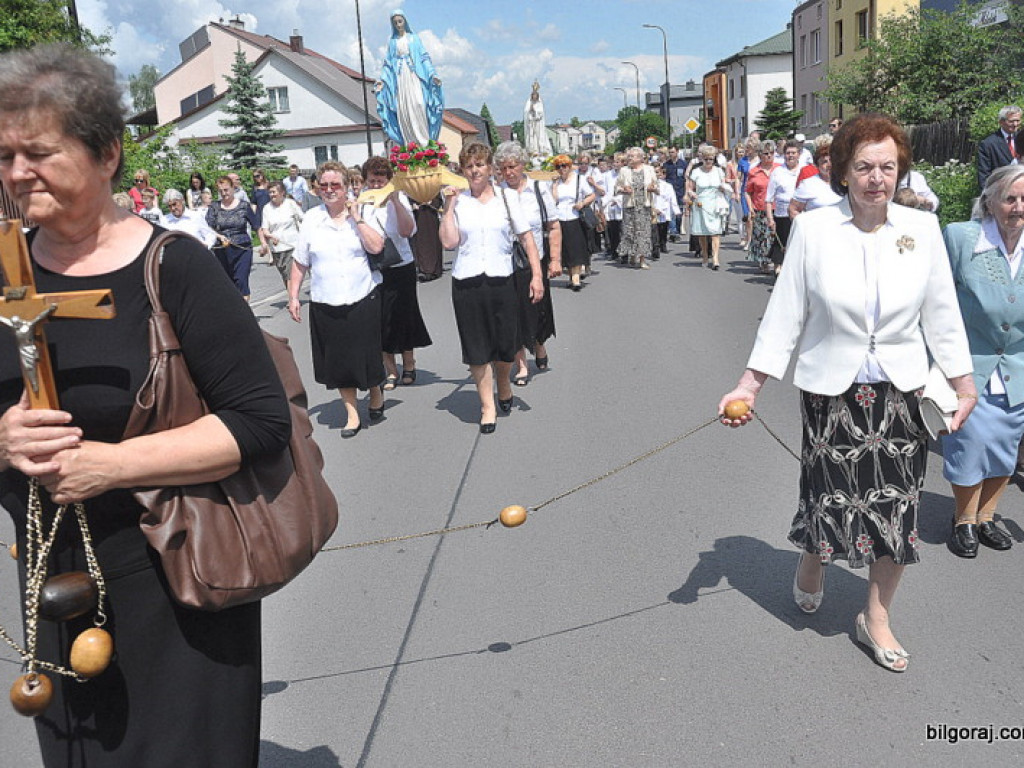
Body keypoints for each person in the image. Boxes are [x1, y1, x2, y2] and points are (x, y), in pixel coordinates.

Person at [0, 43, 291, 767]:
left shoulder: (177, 267)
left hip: (180, 572)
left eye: (36, 152)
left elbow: (259, 420)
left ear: (107, 154)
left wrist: (114, 464)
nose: (15, 173)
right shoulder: (3, 271)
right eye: (3, 155)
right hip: (56, 573)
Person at [718, 113, 976, 673]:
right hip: (832, 395)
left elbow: (942, 313)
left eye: (887, 166)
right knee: (830, 495)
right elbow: (785, 315)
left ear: (899, 170)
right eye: (864, 166)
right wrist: (750, 383)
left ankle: (875, 616)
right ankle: (814, 554)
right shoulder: (814, 229)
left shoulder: (920, 229)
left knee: (896, 508)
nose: (876, 178)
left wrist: (962, 382)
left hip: (902, 395)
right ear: (841, 170)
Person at [941, 165, 1024, 557]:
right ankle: (964, 520)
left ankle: (988, 517)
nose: (1018, 207)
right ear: (990, 201)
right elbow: (934, 300)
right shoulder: (961, 238)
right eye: (1010, 198)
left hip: (1018, 369)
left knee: (1005, 447)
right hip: (968, 366)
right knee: (970, 444)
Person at [438, 143, 543, 433]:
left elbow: (527, 238)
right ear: (462, 170)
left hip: (502, 279)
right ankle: (487, 405)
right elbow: (448, 242)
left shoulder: (506, 197)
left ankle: (505, 382)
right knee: (477, 346)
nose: (474, 171)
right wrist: (448, 208)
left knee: (504, 345)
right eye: (469, 166)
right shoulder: (457, 202)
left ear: (490, 168)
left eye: (480, 165)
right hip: (467, 282)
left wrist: (537, 276)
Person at [289, 161, 386, 438]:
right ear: (318, 189)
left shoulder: (363, 213)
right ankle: (352, 413)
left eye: (336, 185)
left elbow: (377, 246)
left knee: (366, 355)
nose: (330, 190)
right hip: (325, 301)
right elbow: (300, 261)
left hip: (362, 296)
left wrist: (357, 218)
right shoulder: (311, 219)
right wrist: (293, 296)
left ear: (346, 188)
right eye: (325, 185)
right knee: (340, 360)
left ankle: (375, 390)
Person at [360, 156, 433, 390]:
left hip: (401, 266)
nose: (376, 185)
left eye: (381, 180)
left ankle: (408, 364)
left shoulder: (398, 198)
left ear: (389, 180)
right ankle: (390, 369)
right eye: (372, 180)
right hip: (375, 269)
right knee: (380, 319)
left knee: (404, 316)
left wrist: (395, 201)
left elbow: (407, 231)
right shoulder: (361, 202)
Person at [495, 141, 562, 385]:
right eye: (503, 168)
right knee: (512, 312)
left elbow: (553, 226)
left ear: (522, 165)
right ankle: (521, 363)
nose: (508, 172)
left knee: (536, 308)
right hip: (506, 261)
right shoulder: (497, 191)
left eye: (512, 166)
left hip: (536, 259)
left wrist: (555, 260)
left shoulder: (538, 189)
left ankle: (539, 343)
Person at [374, 11, 443, 147]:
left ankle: (424, 143)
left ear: (405, 21)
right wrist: (382, 80)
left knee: (418, 104)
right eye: (395, 23)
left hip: (414, 76)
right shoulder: (393, 42)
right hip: (400, 80)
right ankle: (410, 144)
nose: (398, 25)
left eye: (400, 21)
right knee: (403, 108)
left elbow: (424, 58)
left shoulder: (414, 38)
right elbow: (388, 64)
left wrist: (432, 75)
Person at [206, 175, 260, 299]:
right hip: (222, 250)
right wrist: (219, 236)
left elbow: (256, 226)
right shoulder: (214, 207)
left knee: (241, 280)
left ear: (232, 188)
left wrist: (263, 244)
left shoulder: (244, 206)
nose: (224, 193)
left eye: (226, 190)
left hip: (242, 248)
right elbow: (208, 227)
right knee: (228, 284)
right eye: (220, 191)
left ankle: (243, 313)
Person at [550, 153, 595, 287]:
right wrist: (553, 185)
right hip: (560, 218)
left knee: (576, 248)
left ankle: (576, 279)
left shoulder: (579, 180)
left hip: (575, 216)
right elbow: (554, 200)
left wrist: (582, 203)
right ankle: (571, 276)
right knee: (565, 249)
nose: (562, 169)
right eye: (558, 166)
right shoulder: (556, 182)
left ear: (569, 166)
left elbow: (591, 195)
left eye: (564, 166)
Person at [687, 145, 730, 271]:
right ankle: (705, 255)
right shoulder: (696, 172)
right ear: (702, 159)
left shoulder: (718, 171)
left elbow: (724, 184)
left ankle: (715, 258)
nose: (708, 162)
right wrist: (692, 194)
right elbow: (690, 188)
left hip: (715, 203)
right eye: (706, 159)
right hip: (701, 203)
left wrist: (724, 188)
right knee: (703, 232)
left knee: (715, 232)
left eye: (711, 159)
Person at [615, 147, 657, 270]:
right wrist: (623, 190)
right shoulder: (624, 170)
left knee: (643, 233)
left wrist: (652, 188)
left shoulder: (649, 169)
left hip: (644, 205)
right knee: (630, 232)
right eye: (629, 156)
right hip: (630, 206)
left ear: (640, 158)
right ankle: (632, 255)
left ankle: (642, 259)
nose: (629, 158)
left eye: (632, 156)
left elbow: (656, 185)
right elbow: (616, 187)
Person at [765, 139, 802, 276]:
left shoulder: (804, 170)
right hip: (781, 213)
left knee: (797, 244)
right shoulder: (777, 172)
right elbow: (769, 198)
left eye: (793, 153)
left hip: (800, 213)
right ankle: (778, 269)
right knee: (781, 243)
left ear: (799, 154)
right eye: (787, 153)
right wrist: (770, 219)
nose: (790, 156)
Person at [258, 180, 304, 287]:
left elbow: (303, 218)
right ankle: (292, 296)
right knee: (284, 274)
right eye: (270, 192)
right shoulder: (267, 208)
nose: (272, 195)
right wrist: (270, 236)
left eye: (274, 192)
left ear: (282, 192)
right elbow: (264, 229)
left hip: (292, 244)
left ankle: (293, 299)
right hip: (277, 247)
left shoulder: (291, 204)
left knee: (290, 274)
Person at [744, 139, 777, 273]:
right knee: (763, 236)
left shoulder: (779, 168)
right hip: (760, 208)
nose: (769, 156)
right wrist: (750, 208)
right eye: (766, 153)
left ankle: (775, 262)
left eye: (771, 153)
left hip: (777, 209)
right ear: (760, 155)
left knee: (773, 236)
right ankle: (763, 261)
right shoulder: (754, 171)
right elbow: (748, 192)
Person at [788, 137, 842, 217]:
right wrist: (803, 227)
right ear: (817, 165)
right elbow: (793, 209)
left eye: (832, 160)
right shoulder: (807, 184)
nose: (829, 165)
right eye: (824, 162)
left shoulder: (845, 182)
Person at [976, 105, 1020, 190]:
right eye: (1011, 121)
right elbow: (984, 176)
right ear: (1001, 122)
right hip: (1002, 192)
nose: (1015, 124)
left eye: (1017, 120)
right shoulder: (988, 144)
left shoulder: (1021, 139)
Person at [410, 194, 444, 281]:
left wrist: (431, 202)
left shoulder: (433, 183)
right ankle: (422, 269)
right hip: (417, 215)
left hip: (430, 215)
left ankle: (433, 270)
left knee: (432, 242)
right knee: (419, 242)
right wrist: (412, 204)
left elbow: (438, 198)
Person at [652, 165, 681, 259]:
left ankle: (663, 244)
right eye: (654, 172)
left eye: (657, 172)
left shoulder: (667, 186)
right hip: (653, 210)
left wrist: (676, 211)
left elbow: (672, 198)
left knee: (663, 229)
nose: (656, 174)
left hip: (665, 210)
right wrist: (654, 209)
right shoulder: (648, 185)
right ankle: (655, 247)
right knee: (654, 230)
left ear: (661, 173)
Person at [523, 80, 552, 157]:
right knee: (532, 139)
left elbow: (540, 114)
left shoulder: (539, 104)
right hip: (531, 125)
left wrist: (535, 111)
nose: (534, 97)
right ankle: (533, 152)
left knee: (539, 138)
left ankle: (542, 151)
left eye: (536, 96)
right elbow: (526, 112)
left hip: (538, 124)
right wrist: (530, 111)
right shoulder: (529, 103)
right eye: (533, 96)